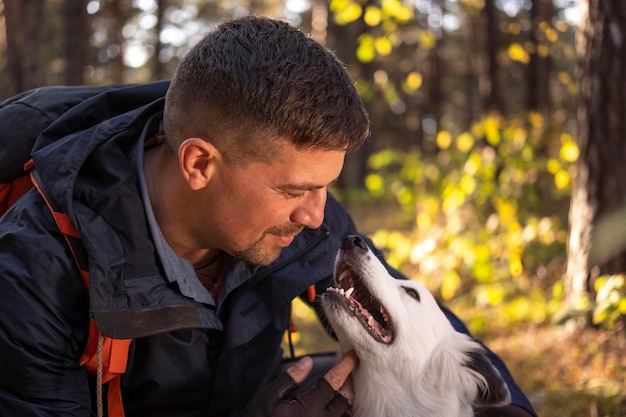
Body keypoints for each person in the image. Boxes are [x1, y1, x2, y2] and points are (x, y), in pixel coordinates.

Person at [0, 15, 537, 417]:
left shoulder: (294, 209)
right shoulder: (35, 273)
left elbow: (413, 323)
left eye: (326, 186)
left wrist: (509, 410)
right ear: (199, 163)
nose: (316, 216)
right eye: (296, 189)